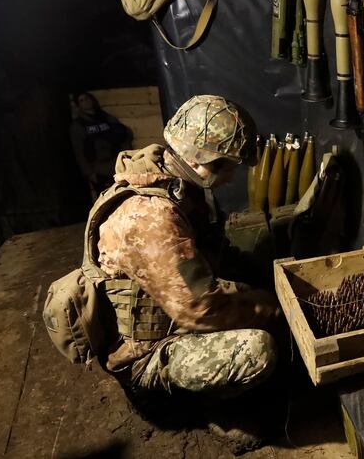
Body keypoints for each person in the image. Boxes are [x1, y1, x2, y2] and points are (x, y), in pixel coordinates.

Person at [87, 95, 284, 448]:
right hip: (147, 354)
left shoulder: (178, 184)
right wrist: (271, 309)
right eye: (229, 166)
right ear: (201, 161)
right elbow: (201, 309)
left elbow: (203, 267)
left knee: (255, 283)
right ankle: (200, 405)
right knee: (258, 349)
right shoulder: (152, 218)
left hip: (172, 313)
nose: (234, 176)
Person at [69, 91, 132, 198]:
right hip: (98, 168)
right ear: (78, 105)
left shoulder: (106, 118)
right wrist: (89, 173)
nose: (86, 102)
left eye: (87, 98)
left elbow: (124, 134)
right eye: (82, 100)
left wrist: (125, 157)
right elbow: (79, 152)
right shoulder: (78, 126)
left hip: (115, 164)